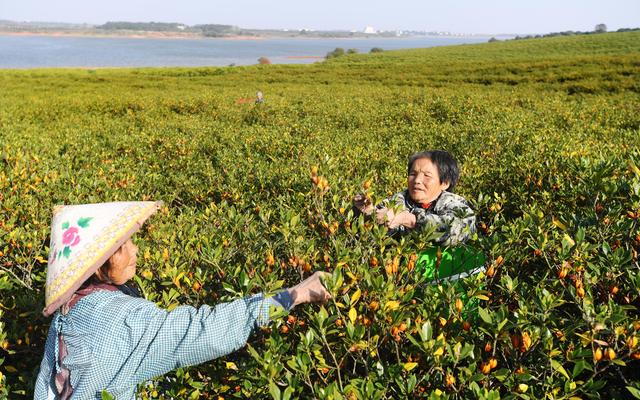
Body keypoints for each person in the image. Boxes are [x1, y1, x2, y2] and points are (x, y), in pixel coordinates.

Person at [34, 201, 330, 400]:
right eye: (124, 246)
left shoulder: (69, 309)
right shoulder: (125, 319)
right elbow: (202, 330)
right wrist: (294, 294)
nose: (136, 251)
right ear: (99, 263)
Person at [353, 150, 476, 246]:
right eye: (413, 174)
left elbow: (459, 230)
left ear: (445, 183)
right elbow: (371, 237)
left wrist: (409, 220)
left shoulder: (457, 205)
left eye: (427, 176)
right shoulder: (396, 201)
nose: (417, 181)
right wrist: (368, 213)